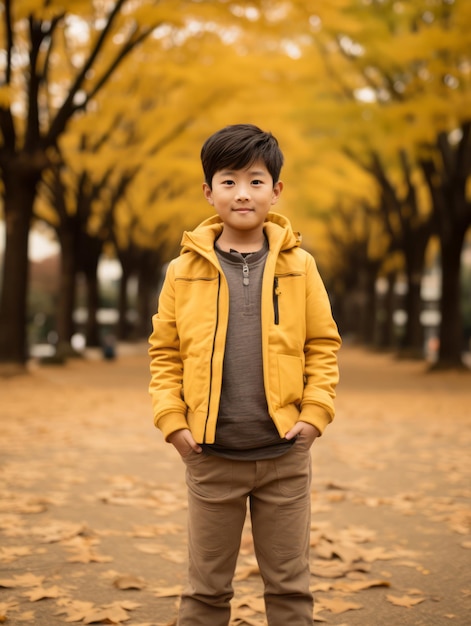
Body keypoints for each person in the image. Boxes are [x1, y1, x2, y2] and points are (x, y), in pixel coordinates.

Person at [148, 123, 341, 626]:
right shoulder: (181, 271)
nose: (242, 193)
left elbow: (322, 345)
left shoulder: (302, 266)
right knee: (206, 593)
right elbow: (165, 352)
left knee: (290, 590)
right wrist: (174, 422)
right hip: (211, 456)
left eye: (256, 181)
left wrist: (314, 416)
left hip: (284, 456)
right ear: (208, 191)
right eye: (228, 181)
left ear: (276, 191)